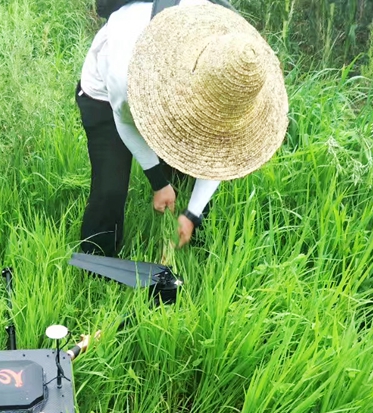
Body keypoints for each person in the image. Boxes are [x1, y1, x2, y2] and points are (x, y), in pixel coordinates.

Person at [76, 0, 289, 256]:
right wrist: (158, 182)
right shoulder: (128, 63)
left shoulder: (234, 63)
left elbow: (220, 155)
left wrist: (192, 213)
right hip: (106, 97)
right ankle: (97, 265)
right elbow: (124, 120)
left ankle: (192, 247)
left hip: (178, 87)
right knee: (110, 187)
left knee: (187, 170)